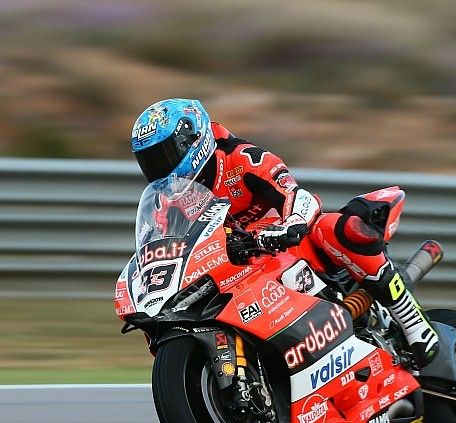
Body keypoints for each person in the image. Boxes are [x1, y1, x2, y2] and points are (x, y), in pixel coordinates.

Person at [131, 98, 439, 367]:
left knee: (336, 228)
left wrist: (289, 225)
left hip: (290, 248)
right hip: (237, 269)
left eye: (164, 156)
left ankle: (412, 321)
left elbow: (296, 194)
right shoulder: (168, 202)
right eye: (150, 162)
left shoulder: (241, 159)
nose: (159, 169)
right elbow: (166, 246)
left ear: (192, 141)